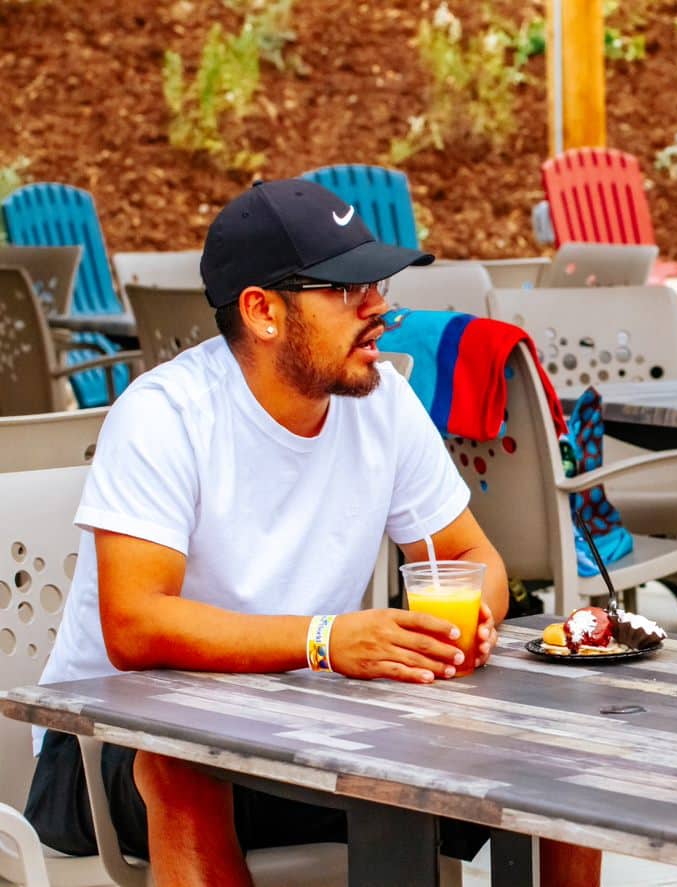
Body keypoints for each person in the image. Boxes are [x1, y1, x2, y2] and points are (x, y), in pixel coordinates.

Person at [25, 179, 600, 887]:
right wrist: (328, 640)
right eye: (347, 289)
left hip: (305, 720)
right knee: (181, 763)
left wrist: (463, 622)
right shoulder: (165, 415)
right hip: (103, 747)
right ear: (262, 310)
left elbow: (472, 557)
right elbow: (134, 624)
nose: (380, 308)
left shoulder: (382, 402)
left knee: (558, 761)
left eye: (378, 284)